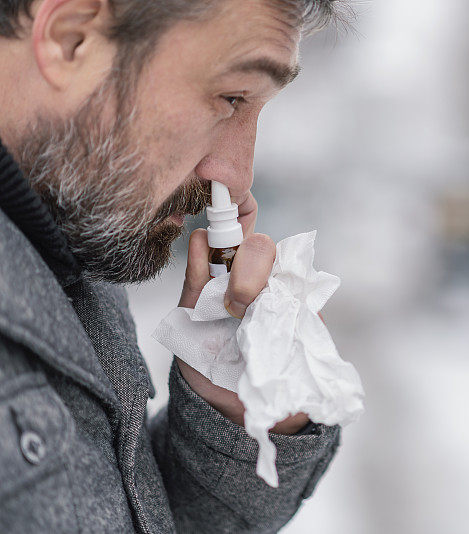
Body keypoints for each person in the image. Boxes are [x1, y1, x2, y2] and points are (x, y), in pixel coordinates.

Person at [0, 0, 350, 531]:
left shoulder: (68, 228)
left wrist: (230, 420)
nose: (235, 178)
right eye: (231, 98)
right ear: (71, 39)